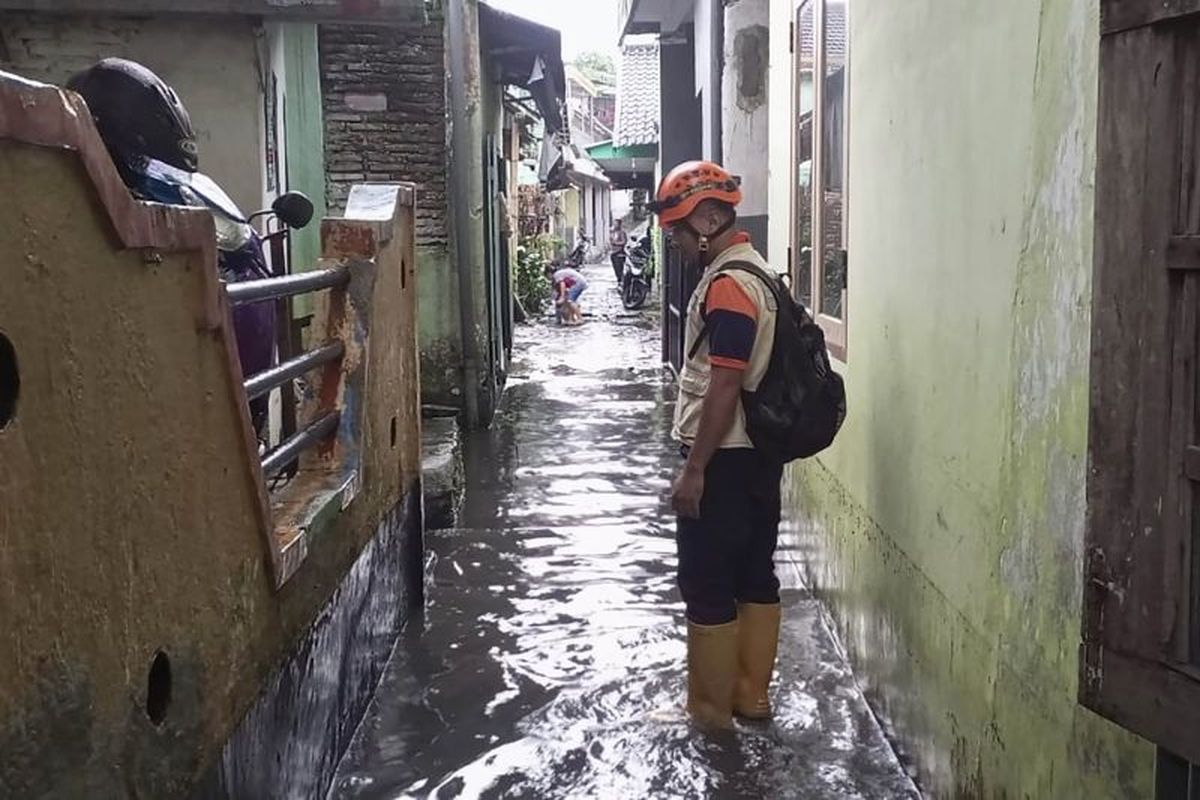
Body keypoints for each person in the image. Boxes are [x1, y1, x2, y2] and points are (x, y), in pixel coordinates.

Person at [648, 160, 783, 729]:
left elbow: (725, 383)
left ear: (707, 221)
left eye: (678, 231)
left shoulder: (729, 286)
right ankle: (750, 698)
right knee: (756, 574)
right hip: (759, 459)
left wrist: (694, 470)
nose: (675, 244)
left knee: (705, 582)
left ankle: (707, 715)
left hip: (723, 461)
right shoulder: (762, 274)